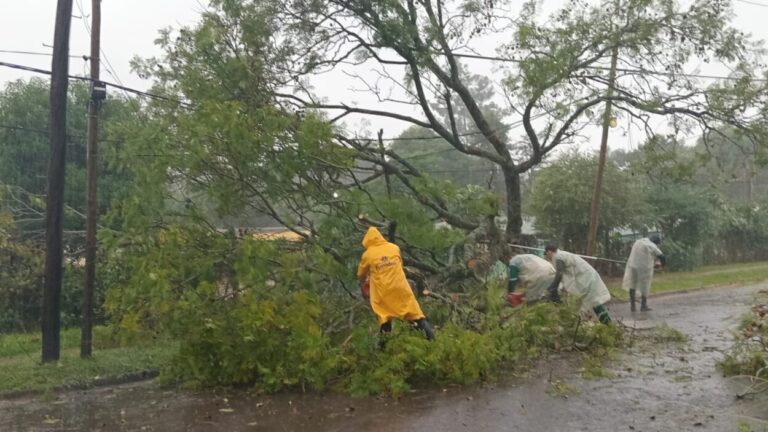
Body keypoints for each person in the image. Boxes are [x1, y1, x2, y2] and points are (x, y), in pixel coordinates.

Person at [357, 226, 435, 343]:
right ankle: (432, 340)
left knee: (385, 318)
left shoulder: (368, 254)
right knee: (415, 315)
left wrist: (366, 280)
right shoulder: (394, 248)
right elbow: (400, 265)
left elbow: (361, 274)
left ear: (367, 241)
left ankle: (384, 347)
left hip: (384, 292)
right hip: (401, 288)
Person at [544, 245, 612, 324]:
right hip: (585, 279)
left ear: (549, 252)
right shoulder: (562, 255)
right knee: (591, 303)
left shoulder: (558, 257)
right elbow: (566, 274)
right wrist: (561, 287)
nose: (547, 256)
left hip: (587, 280)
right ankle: (605, 324)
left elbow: (559, 273)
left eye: (546, 254)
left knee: (594, 302)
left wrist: (552, 288)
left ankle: (608, 324)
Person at [622, 234, 666, 312]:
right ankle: (643, 306)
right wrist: (662, 265)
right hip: (644, 268)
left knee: (632, 284)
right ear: (655, 242)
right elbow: (662, 256)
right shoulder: (651, 245)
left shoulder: (638, 241)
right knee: (644, 286)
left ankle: (632, 306)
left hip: (632, 265)